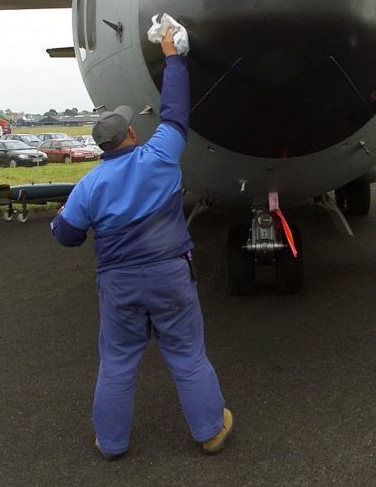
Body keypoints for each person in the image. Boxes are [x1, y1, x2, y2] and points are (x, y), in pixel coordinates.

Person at [50, 28, 233, 458]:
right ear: (131, 135)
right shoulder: (161, 154)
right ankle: (210, 432)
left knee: (117, 363)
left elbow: (67, 237)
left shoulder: (89, 186)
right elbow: (175, 112)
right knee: (187, 355)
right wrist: (172, 57)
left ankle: (111, 442)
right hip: (170, 273)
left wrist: (63, 220)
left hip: (119, 284)